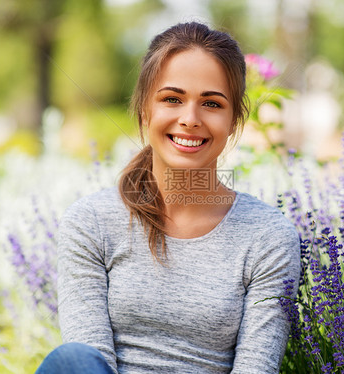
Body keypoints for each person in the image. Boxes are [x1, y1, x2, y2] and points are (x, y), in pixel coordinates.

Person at [36, 22, 301, 374]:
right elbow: (90, 360)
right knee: (73, 360)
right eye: (172, 99)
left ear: (234, 119)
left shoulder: (268, 237)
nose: (190, 119)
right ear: (146, 108)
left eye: (211, 103)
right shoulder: (90, 223)